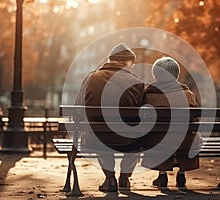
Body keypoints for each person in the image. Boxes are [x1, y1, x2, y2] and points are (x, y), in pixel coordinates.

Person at [75, 43, 145, 192]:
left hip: (97, 139)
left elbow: (77, 107)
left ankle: (110, 178)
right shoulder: (137, 82)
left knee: (100, 132)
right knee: (136, 134)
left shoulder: (90, 78)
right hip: (128, 140)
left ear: (110, 60)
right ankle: (125, 179)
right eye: (132, 64)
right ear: (126, 62)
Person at [141, 57, 201, 188]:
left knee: (156, 137)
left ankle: (162, 175)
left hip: (158, 141)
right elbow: (194, 120)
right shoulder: (188, 94)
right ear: (176, 75)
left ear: (155, 75)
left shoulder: (149, 94)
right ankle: (182, 173)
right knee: (188, 135)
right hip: (186, 142)